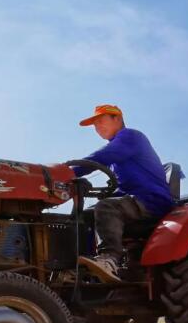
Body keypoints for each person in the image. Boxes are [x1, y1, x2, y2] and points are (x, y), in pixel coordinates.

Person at [71, 104, 174, 282]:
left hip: (152, 200)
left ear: (117, 119)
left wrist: (67, 172)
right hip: (135, 200)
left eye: (100, 121)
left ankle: (109, 258)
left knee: (107, 207)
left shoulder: (130, 136)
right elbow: (123, 186)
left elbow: (102, 156)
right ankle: (80, 268)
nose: (97, 128)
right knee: (87, 214)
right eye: (95, 126)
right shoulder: (119, 153)